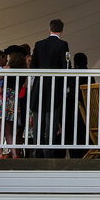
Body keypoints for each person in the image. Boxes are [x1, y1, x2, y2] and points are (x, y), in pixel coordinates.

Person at [30, 19, 69, 157]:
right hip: (55, 87)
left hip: (39, 86)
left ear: (49, 29)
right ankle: (49, 151)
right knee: (51, 121)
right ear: (62, 30)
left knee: (38, 121)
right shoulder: (63, 44)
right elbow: (66, 66)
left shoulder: (39, 44)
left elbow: (33, 67)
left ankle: (37, 151)